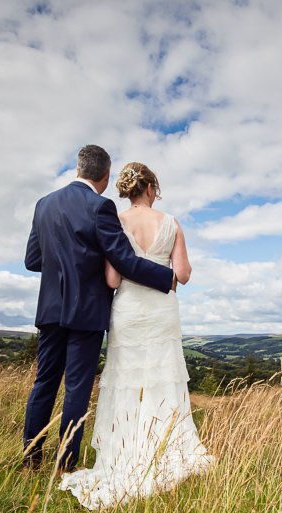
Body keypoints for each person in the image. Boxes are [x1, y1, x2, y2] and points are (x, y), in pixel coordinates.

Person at [59, 162, 213, 509]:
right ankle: (166, 448)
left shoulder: (116, 223)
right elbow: (184, 275)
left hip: (127, 310)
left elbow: (113, 281)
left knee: (127, 379)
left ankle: (126, 452)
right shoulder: (171, 223)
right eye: (156, 190)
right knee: (163, 376)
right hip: (161, 309)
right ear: (150, 188)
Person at [23, 146, 175, 472]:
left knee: (45, 383)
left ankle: (30, 460)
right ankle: (65, 464)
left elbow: (32, 260)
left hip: (50, 309)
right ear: (105, 176)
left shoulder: (44, 204)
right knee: (76, 387)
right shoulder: (100, 206)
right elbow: (124, 261)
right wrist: (168, 277)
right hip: (87, 311)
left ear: (79, 168)